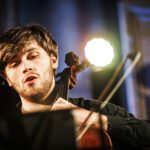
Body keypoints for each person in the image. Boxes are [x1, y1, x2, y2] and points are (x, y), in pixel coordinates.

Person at [0, 24, 150, 150]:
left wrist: (93, 119)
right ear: (8, 79)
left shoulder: (94, 110)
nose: (26, 67)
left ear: (53, 61)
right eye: (14, 63)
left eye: (33, 56)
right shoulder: (5, 129)